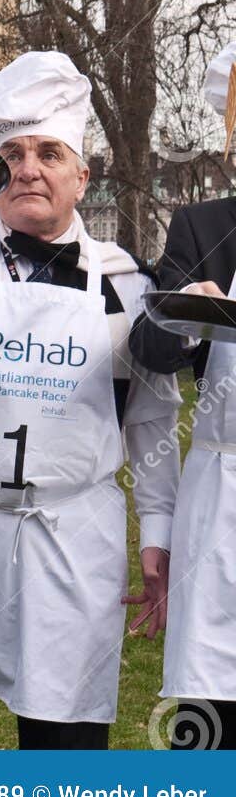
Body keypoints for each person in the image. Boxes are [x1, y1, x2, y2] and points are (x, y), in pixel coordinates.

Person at [0, 51, 181, 749]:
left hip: (71, 541)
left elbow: (152, 417)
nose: (28, 169)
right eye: (12, 155)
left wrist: (159, 535)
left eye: (49, 153)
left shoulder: (126, 282)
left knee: (64, 746)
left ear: (82, 176)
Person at [127, 41, 236, 750]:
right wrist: (188, 313)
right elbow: (149, 350)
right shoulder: (204, 227)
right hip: (222, 499)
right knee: (212, 718)